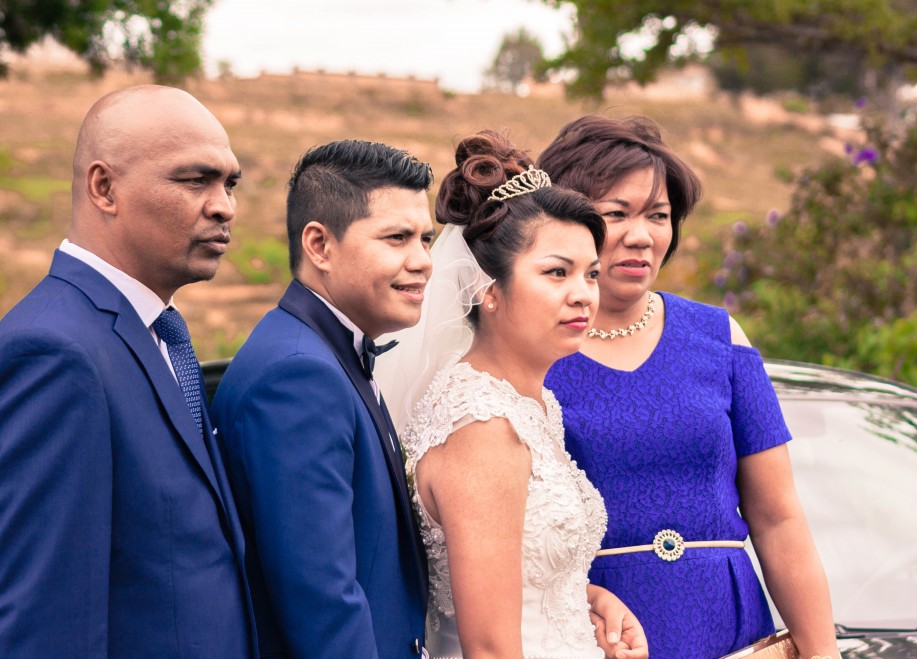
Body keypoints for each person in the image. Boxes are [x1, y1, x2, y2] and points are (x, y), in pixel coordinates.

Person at [0, 85, 254, 657]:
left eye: (229, 183)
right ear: (104, 187)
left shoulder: (155, 334)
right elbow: (39, 629)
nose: (224, 206)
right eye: (195, 180)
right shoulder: (51, 356)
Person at [537, 115, 839, 658]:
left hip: (732, 628)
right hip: (598, 634)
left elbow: (778, 517)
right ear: (564, 222)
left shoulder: (719, 336)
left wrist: (822, 653)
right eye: (616, 214)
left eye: (658, 215)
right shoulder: (530, 351)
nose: (641, 235)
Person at [378, 130, 649, 659]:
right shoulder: (482, 426)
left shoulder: (533, 406)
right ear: (490, 290)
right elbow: (490, 648)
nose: (583, 294)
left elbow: (521, 579)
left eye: (591, 274)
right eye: (556, 272)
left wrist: (590, 602)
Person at [211, 139, 434, 658]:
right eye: (397, 238)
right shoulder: (297, 378)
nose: (422, 260)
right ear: (319, 245)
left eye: (426, 239)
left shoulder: (328, 352)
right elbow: (323, 604)